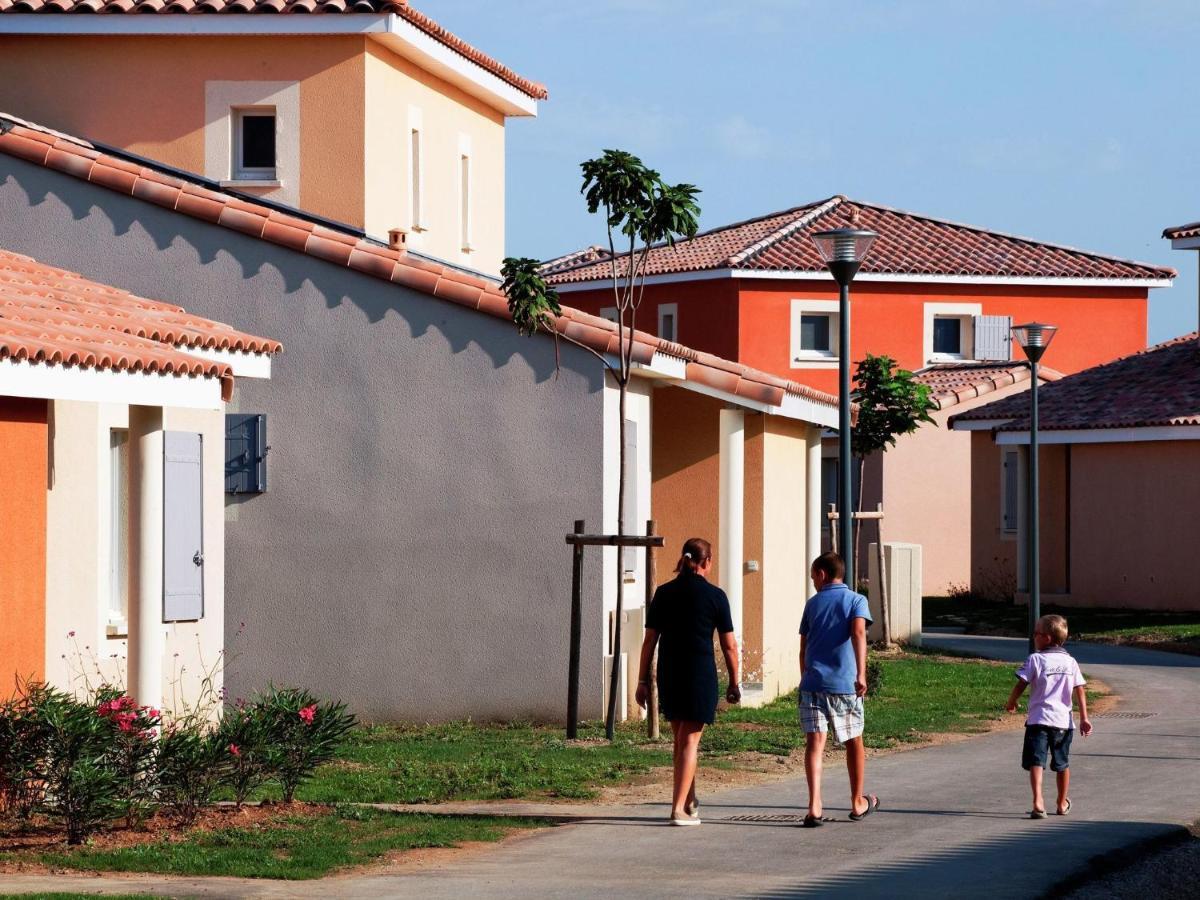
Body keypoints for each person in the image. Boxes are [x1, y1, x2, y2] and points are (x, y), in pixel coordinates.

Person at [635, 537, 740, 826]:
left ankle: (690, 800)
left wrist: (643, 679)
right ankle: (678, 808)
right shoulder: (716, 596)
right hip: (698, 674)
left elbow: (649, 640)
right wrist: (734, 681)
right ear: (706, 562)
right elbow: (729, 645)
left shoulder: (664, 592)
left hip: (670, 672)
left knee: (681, 739)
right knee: (689, 741)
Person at [798, 551, 878, 828]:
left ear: (822, 574)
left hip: (812, 685)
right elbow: (858, 633)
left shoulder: (812, 604)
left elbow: (803, 647)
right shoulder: (857, 600)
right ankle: (857, 801)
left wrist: (805, 676)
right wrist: (861, 673)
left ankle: (814, 805)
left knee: (814, 744)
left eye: (813, 577)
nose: (813, 583)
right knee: (854, 740)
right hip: (845, 685)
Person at [1005, 614, 1093, 818]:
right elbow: (1079, 689)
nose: (1034, 636)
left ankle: (1038, 801)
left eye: (1037, 633)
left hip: (1038, 720)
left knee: (1037, 761)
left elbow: (1021, 683)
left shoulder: (1035, 659)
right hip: (1063, 722)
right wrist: (1084, 718)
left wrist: (1011, 702)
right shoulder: (1070, 662)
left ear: (1048, 638)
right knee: (1062, 763)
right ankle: (1062, 803)